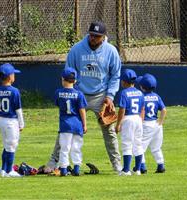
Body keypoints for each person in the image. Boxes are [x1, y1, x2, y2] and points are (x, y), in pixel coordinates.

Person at [46, 21, 122, 172]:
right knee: (66, 128)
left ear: (103, 37)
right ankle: (53, 162)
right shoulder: (77, 49)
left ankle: (117, 164)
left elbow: (115, 75)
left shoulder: (111, 51)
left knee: (109, 130)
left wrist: (110, 96)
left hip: (101, 96)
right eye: (91, 35)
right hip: (79, 94)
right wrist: (72, 92)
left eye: (97, 36)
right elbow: (69, 71)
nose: (93, 38)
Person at [54, 68, 87, 176]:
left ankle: (63, 169)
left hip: (65, 125)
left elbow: (58, 104)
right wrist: (84, 124)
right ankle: (76, 168)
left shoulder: (58, 92)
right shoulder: (79, 94)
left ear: (63, 79)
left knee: (64, 148)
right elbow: (82, 110)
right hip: (77, 124)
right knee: (76, 147)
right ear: (75, 80)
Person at [0, 63, 24, 178]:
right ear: (9, 77)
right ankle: (9, 170)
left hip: (1, 120)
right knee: (12, 145)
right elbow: (18, 109)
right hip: (11, 121)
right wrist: (21, 123)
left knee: (6, 145)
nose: (14, 76)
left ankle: (3, 169)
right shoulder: (14, 91)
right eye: (13, 74)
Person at [115, 69, 144, 176]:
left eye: (122, 80)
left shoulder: (124, 93)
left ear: (125, 81)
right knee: (138, 143)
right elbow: (142, 108)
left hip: (128, 119)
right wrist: (141, 120)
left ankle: (126, 170)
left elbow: (122, 109)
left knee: (127, 143)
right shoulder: (140, 92)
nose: (121, 82)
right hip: (138, 118)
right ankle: (137, 169)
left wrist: (118, 124)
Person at [136, 73, 167, 173]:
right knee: (156, 147)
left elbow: (141, 110)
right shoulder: (156, 96)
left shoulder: (141, 97)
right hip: (156, 125)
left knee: (140, 146)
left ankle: (142, 167)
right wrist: (160, 122)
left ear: (142, 87)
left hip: (146, 124)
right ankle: (161, 165)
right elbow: (164, 110)